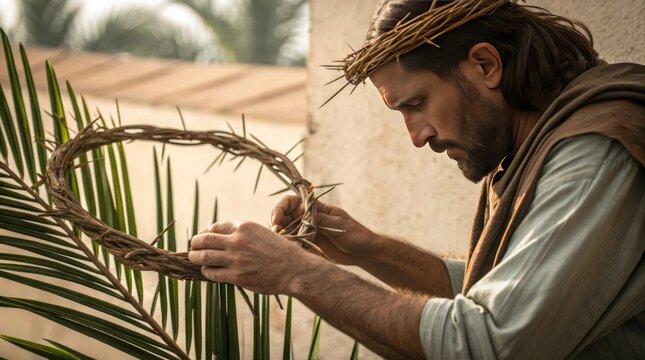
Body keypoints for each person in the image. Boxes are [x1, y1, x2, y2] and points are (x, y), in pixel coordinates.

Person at [189, 0, 645, 358]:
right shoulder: (529, 148)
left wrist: (294, 272)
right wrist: (367, 248)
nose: (416, 136)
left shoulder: (593, 151)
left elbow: (486, 342)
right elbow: (499, 292)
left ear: (485, 65)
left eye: (416, 103)